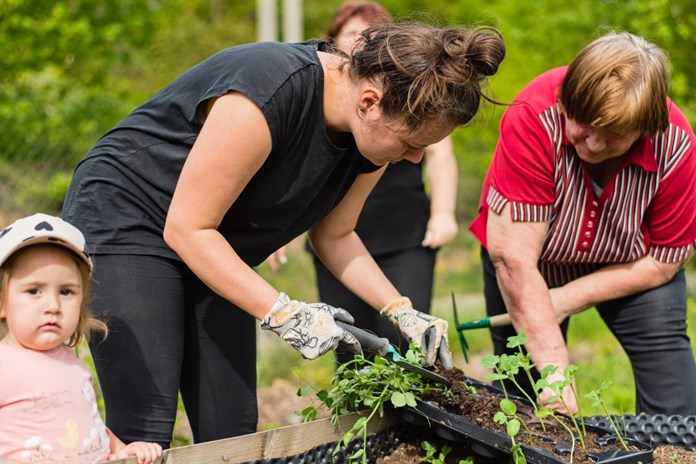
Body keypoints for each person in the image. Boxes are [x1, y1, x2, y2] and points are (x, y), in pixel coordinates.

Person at [61, 22, 506, 446]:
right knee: (146, 425)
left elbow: (335, 235)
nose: (414, 159)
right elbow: (188, 227)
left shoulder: (369, 138)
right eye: (411, 143)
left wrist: (402, 310)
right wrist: (284, 312)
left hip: (215, 239)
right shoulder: (268, 90)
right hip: (130, 218)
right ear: (369, 100)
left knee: (232, 426)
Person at [469, 31, 696, 415]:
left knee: (673, 391)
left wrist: (564, 299)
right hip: (531, 260)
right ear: (564, 100)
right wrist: (555, 376)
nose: (592, 144)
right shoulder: (533, 115)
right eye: (583, 124)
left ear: (645, 130)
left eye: (614, 137)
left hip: (631, 264)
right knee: (522, 392)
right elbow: (514, 261)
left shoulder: (675, 144)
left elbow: (665, 260)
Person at [300, 1, 460, 364]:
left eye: (369, 35)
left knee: (405, 340)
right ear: (335, 41)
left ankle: (410, 417)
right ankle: (363, 418)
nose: (360, 42)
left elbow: (441, 156)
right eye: (352, 34)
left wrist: (444, 213)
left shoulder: (412, 96)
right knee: (351, 348)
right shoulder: (321, 99)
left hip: (403, 230)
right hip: (333, 232)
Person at [0, 213, 163, 464]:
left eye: (66, 292)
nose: (53, 305)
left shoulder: (69, 358)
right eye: (34, 291)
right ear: (2, 302)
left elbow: (88, 424)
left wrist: (121, 450)